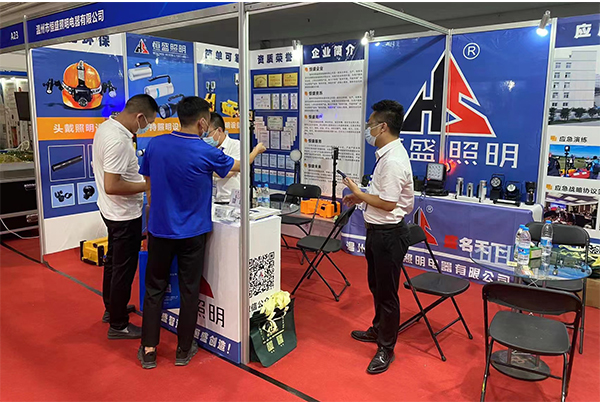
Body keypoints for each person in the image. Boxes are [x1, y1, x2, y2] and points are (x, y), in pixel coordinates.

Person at [138, 97, 266, 369]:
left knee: (154, 289)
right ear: (202, 122)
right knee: (189, 290)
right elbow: (239, 166)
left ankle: (149, 349)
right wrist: (256, 151)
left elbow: (148, 184)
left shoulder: (155, 145)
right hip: (193, 233)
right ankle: (183, 349)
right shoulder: (206, 151)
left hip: (159, 229)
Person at [342, 100, 414, 374]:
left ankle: (386, 348)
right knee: (377, 286)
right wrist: (360, 197)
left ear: (383, 127)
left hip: (389, 236)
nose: (367, 129)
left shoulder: (393, 160)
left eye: (370, 124)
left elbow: (387, 203)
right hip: (377, 233)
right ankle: (378, 328)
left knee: (387, 293)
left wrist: (358, 193)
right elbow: (380, 195)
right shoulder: (386, 155)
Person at [92, 94, 159, 339]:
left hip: (111, 210)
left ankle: (112, 308)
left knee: (113, 262)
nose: (147, 127)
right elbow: (112, 185)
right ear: (139, 117)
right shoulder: (118, 140)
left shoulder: (107, 127)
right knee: (124, 268)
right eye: (148, 122)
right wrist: (148, 186)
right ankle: (118, 324)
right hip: (122, 215)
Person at [204, 112, 241, 204]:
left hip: (230, 201)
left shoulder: (236, 145)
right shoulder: (207, 149)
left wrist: (206, 169)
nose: (205, 138)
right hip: (212, 200)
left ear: (219, 130)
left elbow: (229, 172)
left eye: (207, 134)